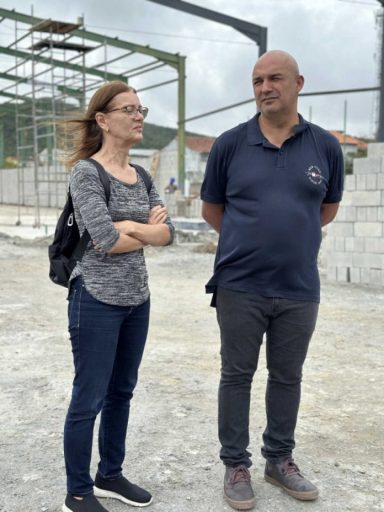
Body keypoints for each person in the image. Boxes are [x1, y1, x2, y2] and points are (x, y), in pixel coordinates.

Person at [201, 50, 343, 510]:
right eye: (258, 80)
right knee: (236, 376)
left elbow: (326, 209)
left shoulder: (324, 146)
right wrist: (250, 241)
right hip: (240, 284)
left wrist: (287, 238)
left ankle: (279, 459)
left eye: (275, 78)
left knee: (288, 376)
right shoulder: (230, 144)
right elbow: (212, 209)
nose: (265, 88)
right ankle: (235, 464)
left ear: (299, 82)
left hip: (299, 287)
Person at [62, 81, 174, 512]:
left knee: (122, 392)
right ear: (104, 120)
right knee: (88, 396)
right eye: (128, 109)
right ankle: (78, 490)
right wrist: (140, 228)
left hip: (136, 301)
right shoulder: (86, 173)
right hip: (94, 300)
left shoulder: (142, 175)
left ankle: (110, 473)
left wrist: (132, 229)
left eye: (140, 108)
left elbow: (168, 234)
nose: (139, 115)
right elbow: (105, 240)